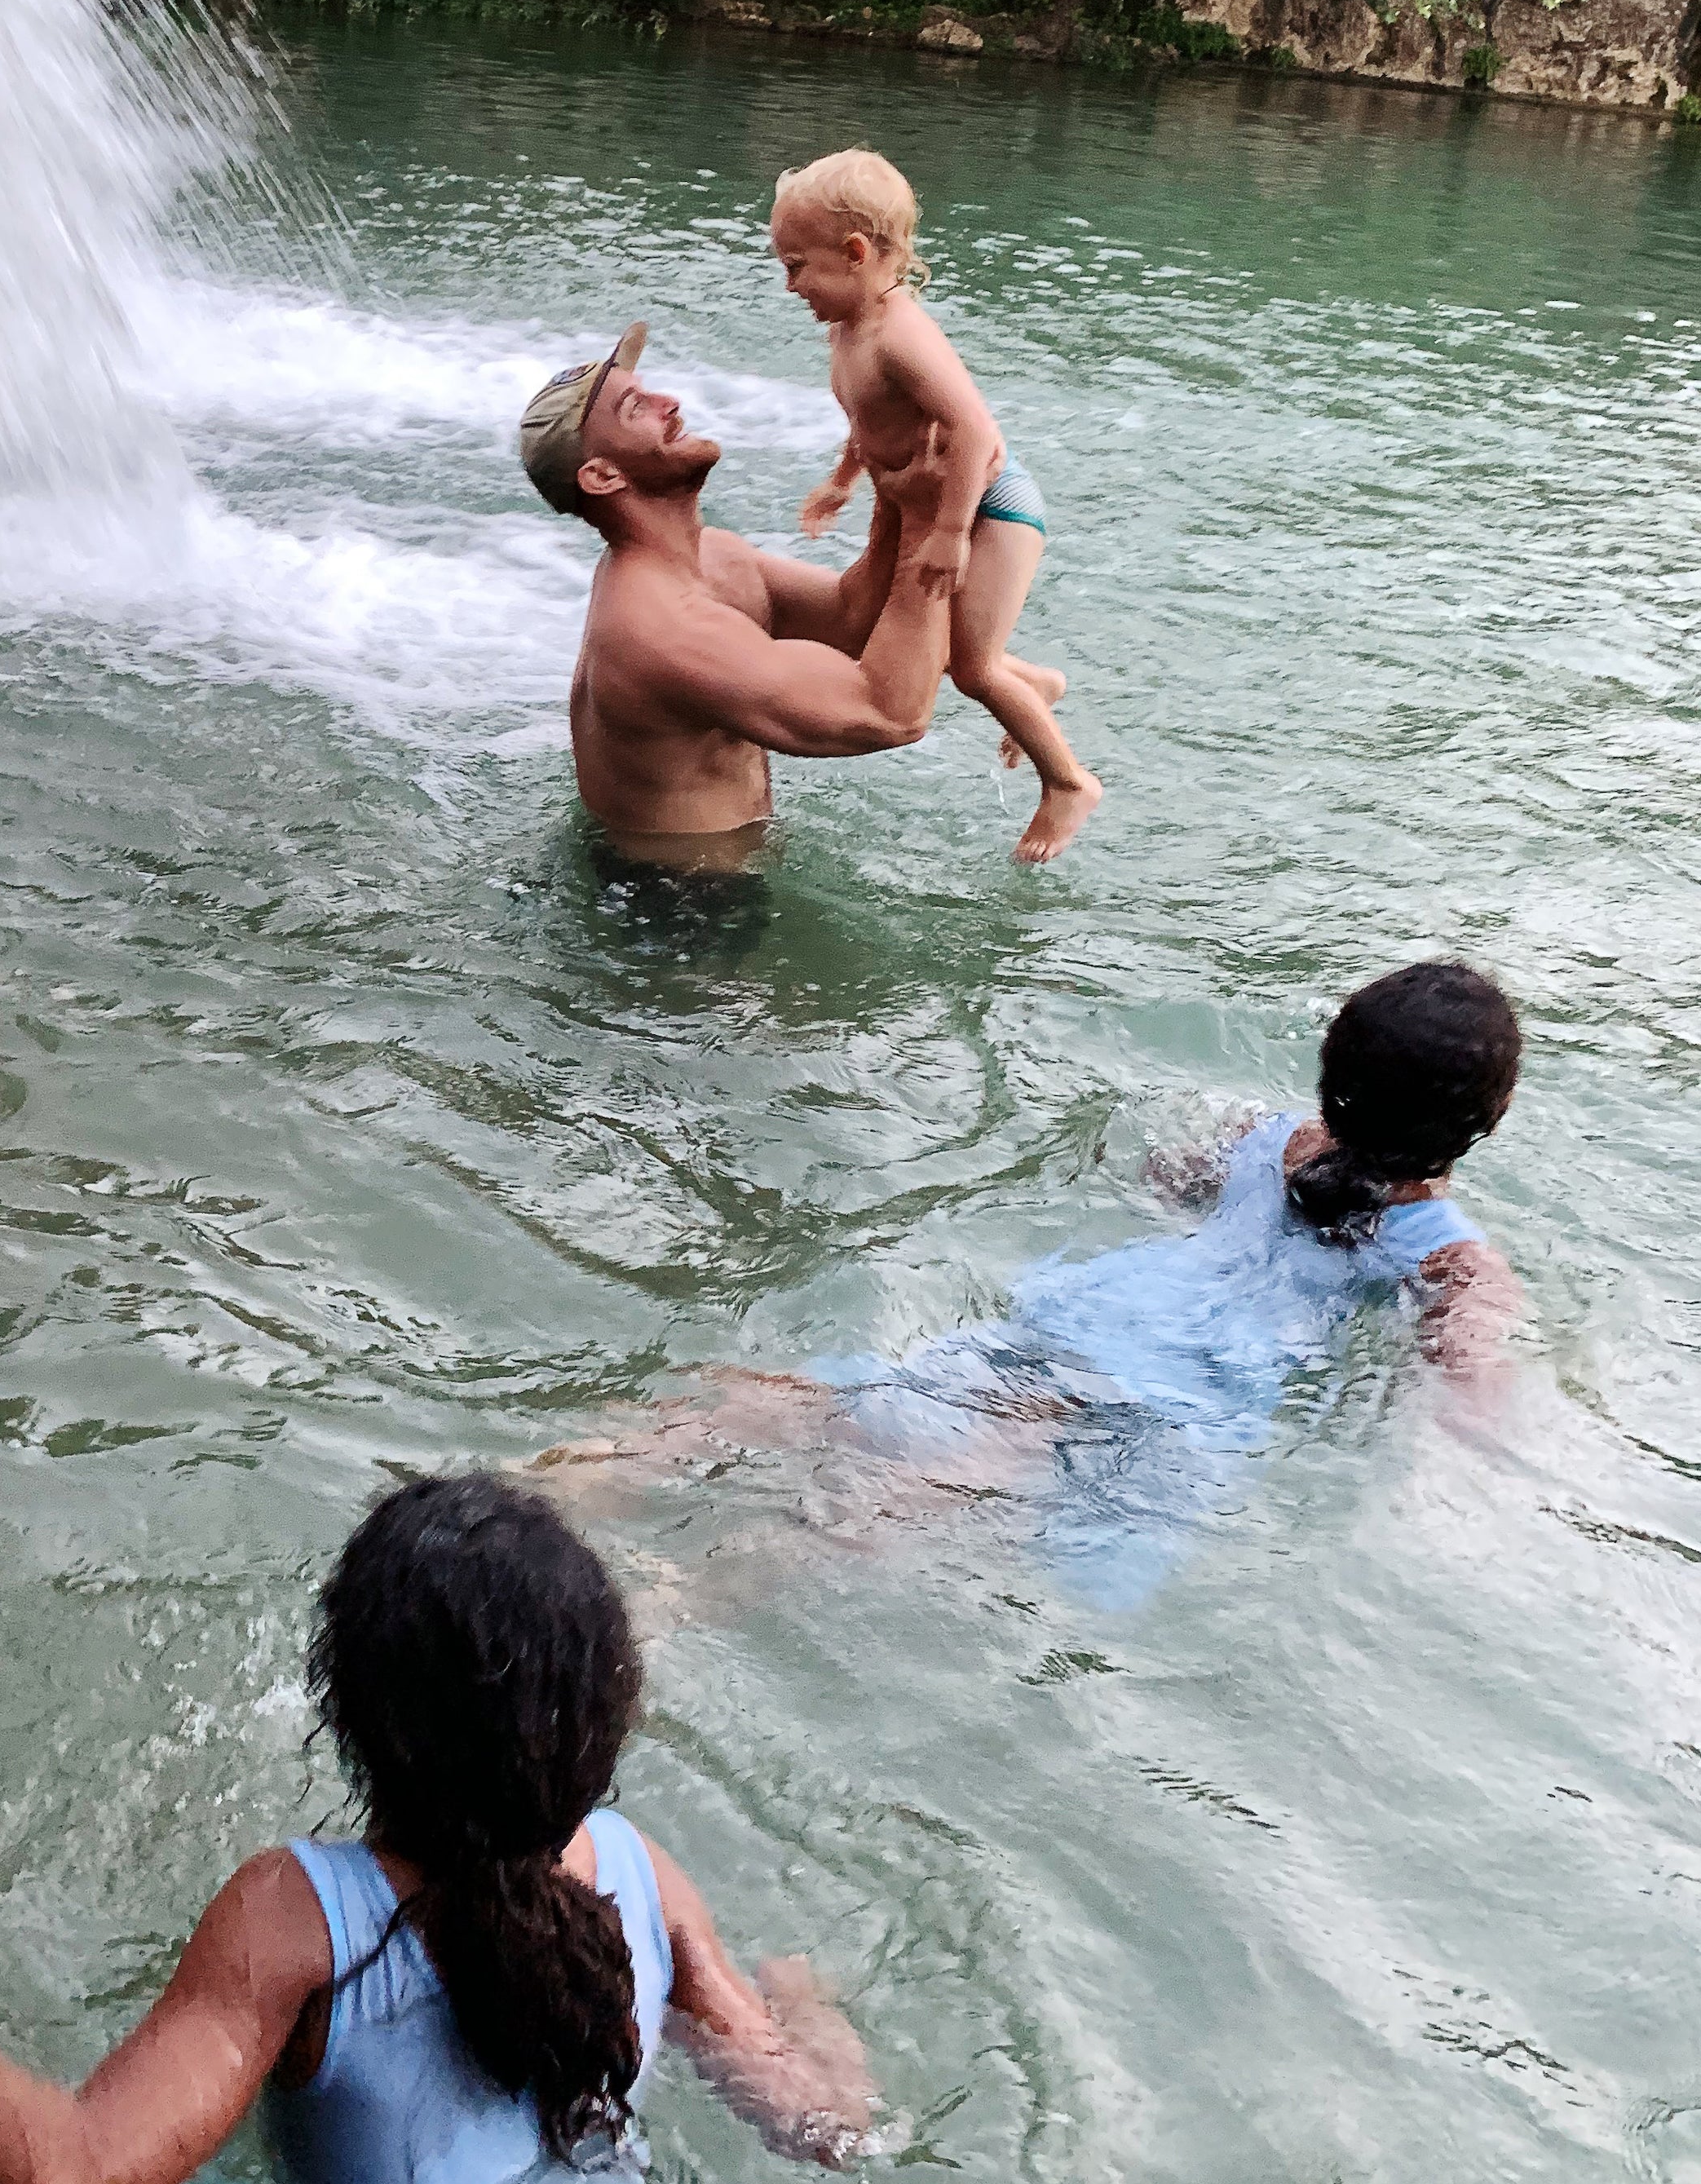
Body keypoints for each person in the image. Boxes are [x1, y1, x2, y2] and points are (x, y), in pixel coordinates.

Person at [0, 1474, 878, 2184]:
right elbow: (827, 2130)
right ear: (607, 1715)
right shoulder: (642, 1877)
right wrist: (803, 2006)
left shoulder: (297, 1921)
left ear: (347, 1709)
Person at [549, 963, 1523, 1613]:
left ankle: (554, 1489)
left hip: (1082, 1314)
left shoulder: (1266, 1140)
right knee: (925, 1489)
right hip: (1175, 1404)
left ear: (1330, 1071)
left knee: (815, 1407)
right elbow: (1464, 1396)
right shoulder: (1455, 1263)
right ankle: (675, 1601)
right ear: (1490, 1117)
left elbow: (1163, 1176)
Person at [518, 318, 955, 866]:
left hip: (721, 864)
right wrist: (929, 517)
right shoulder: (662, 629)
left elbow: (852, 618)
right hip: (679, 909)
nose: (669, 402)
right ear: (603, 476)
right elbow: (891, 715)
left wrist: (893, 479)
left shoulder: (714, 555)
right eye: (637, 409)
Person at [776, 150, 1101, 864]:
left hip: (994, 506)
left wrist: (953, 531)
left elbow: (976, 431)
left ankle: (1070, 783)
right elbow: (872, 421)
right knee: (962, 660)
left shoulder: (899, 333)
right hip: (961, 506)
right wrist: (844, 478)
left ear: (856, 254)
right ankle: (1039, 685)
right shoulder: (848, 329)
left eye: (797, 265)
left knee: (974, 668)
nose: (790, 284)